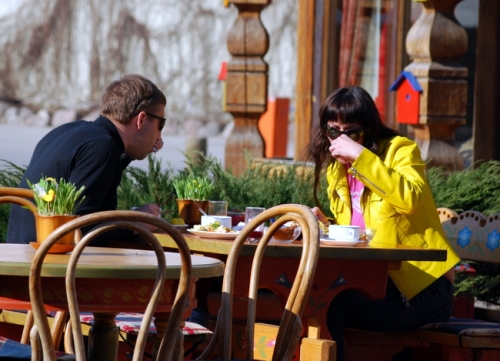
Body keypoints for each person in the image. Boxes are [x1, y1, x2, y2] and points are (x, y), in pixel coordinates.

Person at [306, 86, 460, 361]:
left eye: (351, 133)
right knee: (312, 294)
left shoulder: (401, 151)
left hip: (424, 291)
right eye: (333, 131)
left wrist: (361, 157)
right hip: (375, 284)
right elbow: (359, 232)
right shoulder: (336, 169)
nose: (340, 141)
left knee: (328, 302)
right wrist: (325, 225)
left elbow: (409, 199)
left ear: (369, 130)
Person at [7, 74, 166, 246]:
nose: (159, 135)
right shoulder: (102, 148)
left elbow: (89, 192)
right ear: (141, 119)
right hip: (49, 266)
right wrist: (136, 223)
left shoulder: (70, 132)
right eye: (160, 125)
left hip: (20, 258)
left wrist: (132, 153)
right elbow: (80, 229)